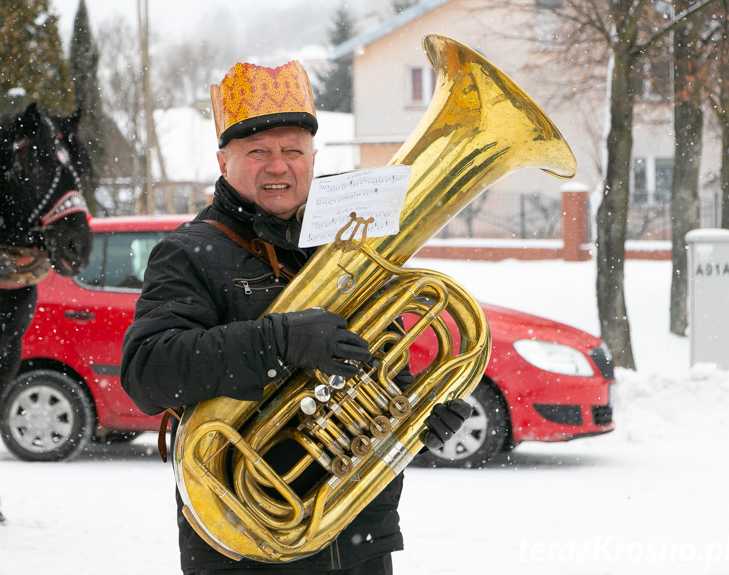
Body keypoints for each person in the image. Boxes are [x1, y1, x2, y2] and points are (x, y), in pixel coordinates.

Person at [121, 60, 471, 575]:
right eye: (257, 152)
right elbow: (148, 373)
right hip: (244, 541)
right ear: (223, 162)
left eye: (292, 151)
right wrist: (277, 341)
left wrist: (419, 417)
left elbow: (382, 375)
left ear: (312, 158)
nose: (277, 166)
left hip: (357, 534)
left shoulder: (353, 243)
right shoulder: (189, 251)